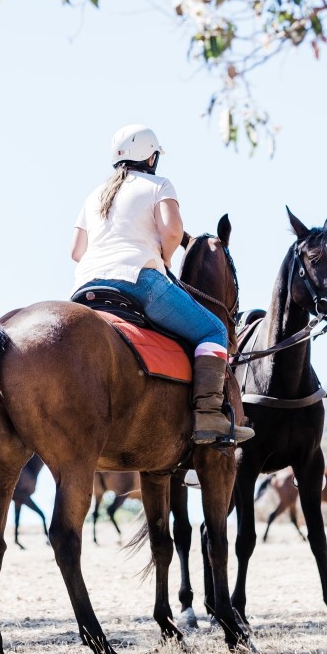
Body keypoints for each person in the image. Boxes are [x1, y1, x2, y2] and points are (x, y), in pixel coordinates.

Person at [70, 124, 254, 446]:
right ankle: (209, 415)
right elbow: (172, 232)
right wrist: (165, 259)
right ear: (152, 158)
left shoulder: (93, 195)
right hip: (138, 281)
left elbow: (76, 252)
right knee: (214, 331)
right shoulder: (158, 185)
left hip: (85, 290)